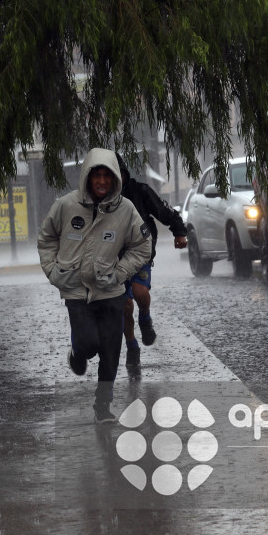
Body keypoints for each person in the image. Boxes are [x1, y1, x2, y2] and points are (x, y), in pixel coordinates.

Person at [38, 148, 152, 423]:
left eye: (107, 176)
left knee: (111, 349)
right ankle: (78, 352)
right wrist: (55, 271)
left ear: (115, 180)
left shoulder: (126, 210)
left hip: (110, 290)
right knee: (90, 344)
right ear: (88, 178)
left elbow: (142, 245)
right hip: (76, 291)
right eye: (96, 175)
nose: (101, 181)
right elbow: (46, 238)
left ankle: (103, 407)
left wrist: (120, 273)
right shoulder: (66, 206)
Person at [114, 153, 188, 369]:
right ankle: (132, 345)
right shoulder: (99, 198)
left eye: (117, 174)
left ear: (124, 173)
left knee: (139, 293)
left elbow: (164, 212)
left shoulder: (140, 191)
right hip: (113, 262)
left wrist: (179, 232)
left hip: (140, 256)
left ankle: (145, 318)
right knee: (124, 306)